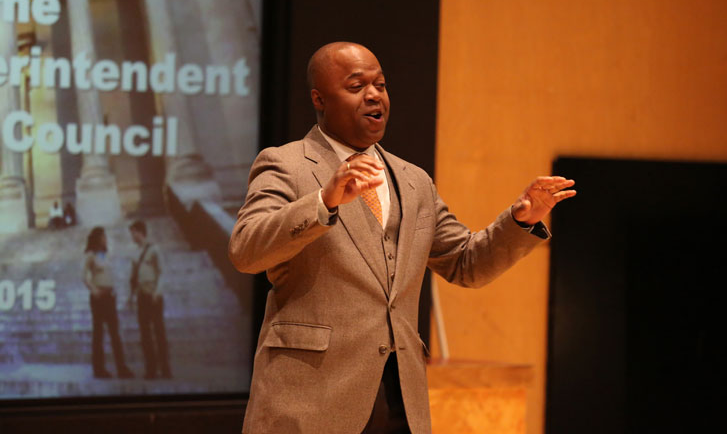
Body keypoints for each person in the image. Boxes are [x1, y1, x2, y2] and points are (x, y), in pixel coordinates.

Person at [228, 42, 576, 434]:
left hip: (399, 403)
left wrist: (520, 220)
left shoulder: (413, 181)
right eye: (357, 86)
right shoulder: (286, 164)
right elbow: (246, 250)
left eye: (380, 84)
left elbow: (466, 264)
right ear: (319, 98)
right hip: (310, 401)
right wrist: (323, 202)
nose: (374, 94)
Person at [82, 227, 134, 379]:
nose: (106, 239)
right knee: (98, 333)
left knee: (115, 333)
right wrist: (93, 290)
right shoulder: (90, 255)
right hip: (98, 297)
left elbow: (109, 273)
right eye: (103, 236)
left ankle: (122, 368)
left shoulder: (105, 255)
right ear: (97, 238)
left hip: (110, 296)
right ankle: (99, 369)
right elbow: (83, 276)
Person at [129, 220, 171, 379]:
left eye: (133, 232)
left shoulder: (154, 250)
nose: (132, 236)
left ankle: (165, 368)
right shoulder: (134, 253)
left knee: (159, 332)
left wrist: (158, 291)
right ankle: (151, 368)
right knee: (145, 334)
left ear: (140, 232)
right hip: (142, 296)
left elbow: (161, 272)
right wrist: (130, 297)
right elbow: (132, 277)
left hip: (154, 295)